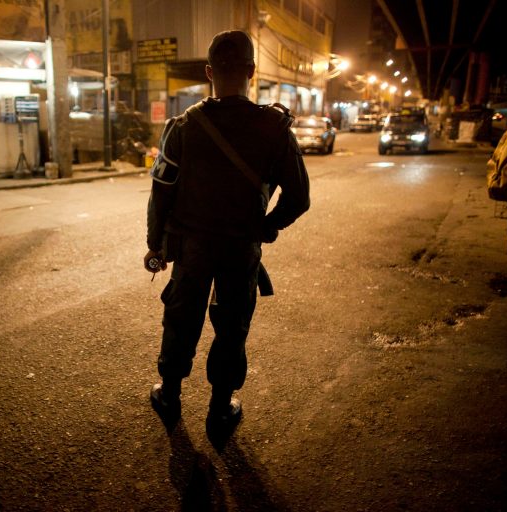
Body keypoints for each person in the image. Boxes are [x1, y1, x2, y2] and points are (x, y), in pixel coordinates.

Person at [144, 30, 310, 439]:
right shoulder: (274, 128)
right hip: (241, 248)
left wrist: (155, 245)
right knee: (232, 323)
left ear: (208, 72)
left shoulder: (183, 126)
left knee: (181, 318)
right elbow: (299, 197)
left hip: (192, 247)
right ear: (252, 71)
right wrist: (266, 226)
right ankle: (220, 411)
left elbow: (161, 192)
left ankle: (170, 396)